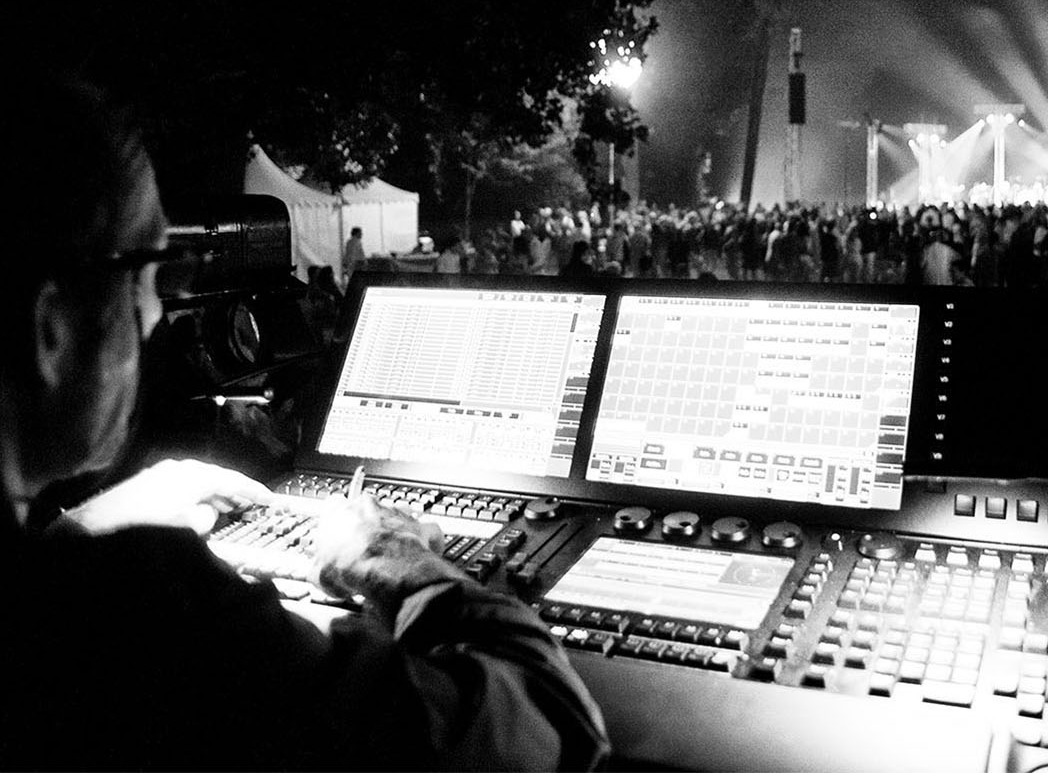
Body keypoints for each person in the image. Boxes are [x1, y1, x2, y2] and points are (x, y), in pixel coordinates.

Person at [0, 75, 608, 769]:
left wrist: (77, 531)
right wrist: (400, 564)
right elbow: (544, 733)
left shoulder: (48, 589)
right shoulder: (146, 613)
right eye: (152, 277)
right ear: (52, 330)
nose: (156, 318)